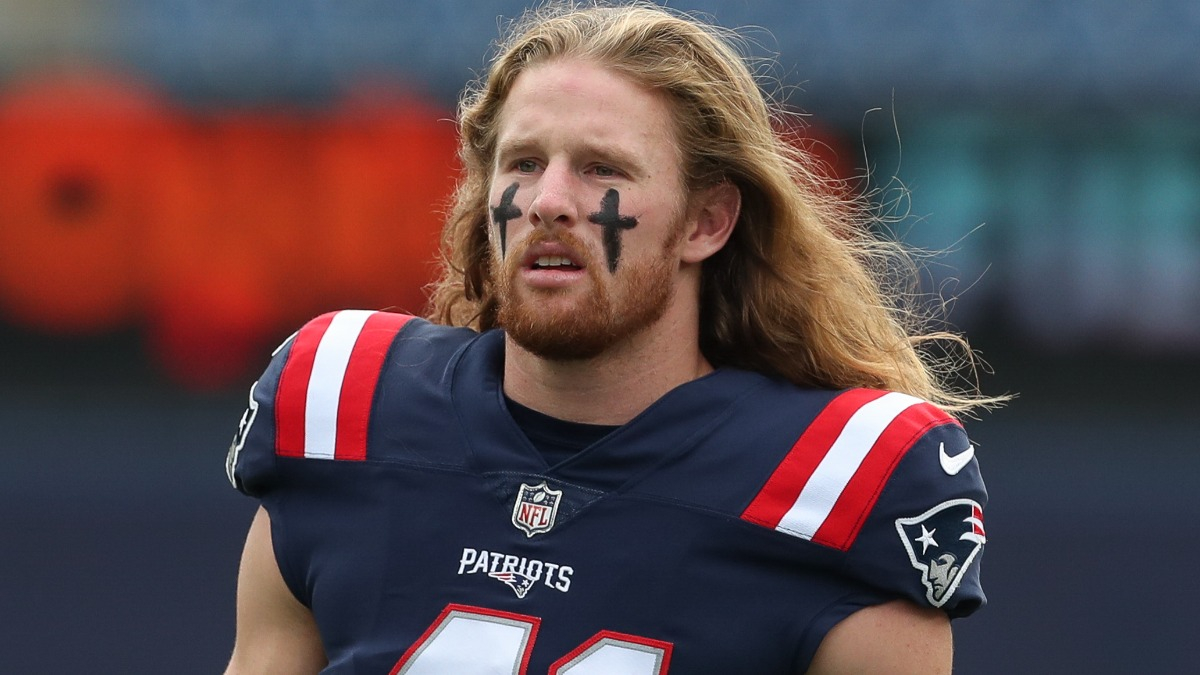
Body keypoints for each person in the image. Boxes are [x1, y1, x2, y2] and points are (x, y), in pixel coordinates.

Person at [223, 2, 1002, 673]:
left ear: (707, 221)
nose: (549, 200)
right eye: (524, 162)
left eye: (603, 169)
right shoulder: (343, 408)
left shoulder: (839, 484)